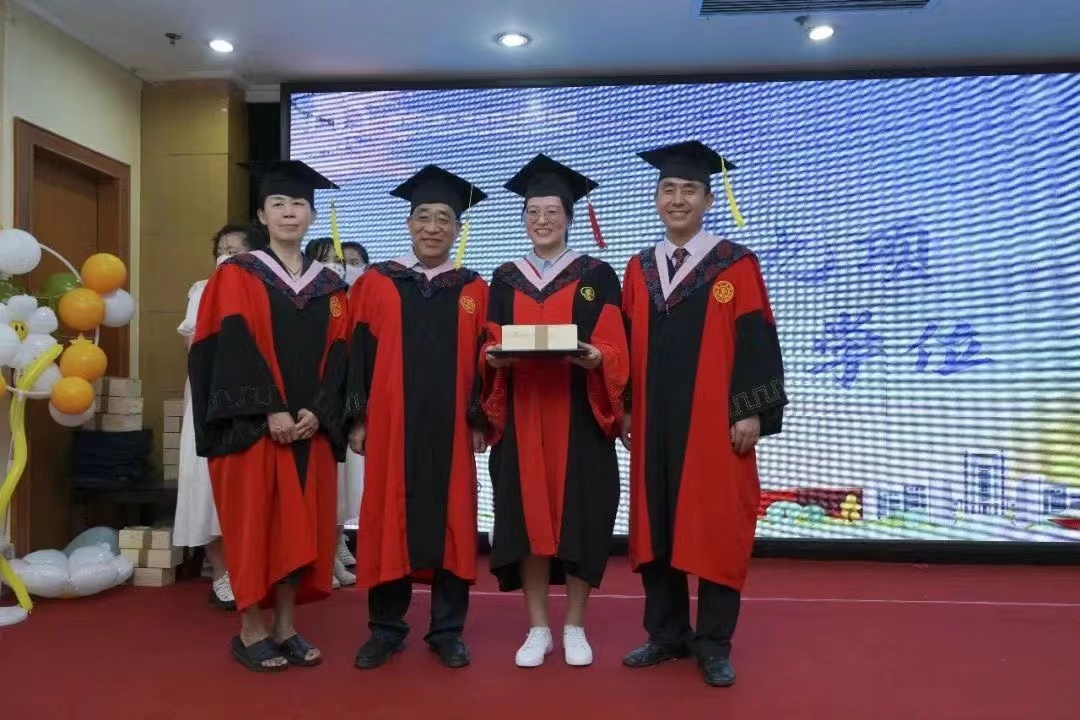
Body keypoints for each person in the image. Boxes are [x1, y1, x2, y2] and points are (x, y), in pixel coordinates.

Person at [620, 141, 787, 687]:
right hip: (653, 423)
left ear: (709, 200)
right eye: (668, 189)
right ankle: (666, 634)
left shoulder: (735, 264)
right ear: (655, 198)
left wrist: (752, 411)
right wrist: (625, 408)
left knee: (716, 526)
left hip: (713, 423)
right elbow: (624, 344)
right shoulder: (639, 269)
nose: (677, 199)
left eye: (689, 190)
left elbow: (757, 339)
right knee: (657, 526)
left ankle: (713, 643)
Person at [189, 160, 350, 673]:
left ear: (311, 215)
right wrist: (271, 408)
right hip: (253, 429)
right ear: (262, 214)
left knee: (299, 533)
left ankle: (286, 627)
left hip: (309, 430)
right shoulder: (237, 274)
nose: (289, 212)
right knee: (255, 528)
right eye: (278, 203)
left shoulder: (330, 286)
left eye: (299, 203)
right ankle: (250, 629)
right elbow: (229, 345)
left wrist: (319, 411)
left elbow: (342, 354)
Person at [480, 154, 628, 668]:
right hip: (522, 415)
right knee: (525, 519)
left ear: (569, 217)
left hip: (579, 416)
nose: (542, 220)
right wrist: (491, 357)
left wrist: (598, 357)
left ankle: (576, 627)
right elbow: (490, 340)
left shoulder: (597, 274)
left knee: (581, 517)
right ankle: (538, 627)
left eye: (552, 212)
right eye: (532, 212)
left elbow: (615, 342)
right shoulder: (505, 278)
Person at [346, 165, 489, 670]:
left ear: (457, 229)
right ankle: (386, 629)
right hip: (391, 424)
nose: (433, 227)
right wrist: (357, 418)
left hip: (452, 427)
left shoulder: (473, 288)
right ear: (408, 223)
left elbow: (485, 359)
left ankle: (447, 631)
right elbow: (357, 353)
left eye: (444, 218)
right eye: (423, 217)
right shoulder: (377, 282)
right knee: (389, 518)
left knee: (454, 520)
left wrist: (480, 418)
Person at [174, 224, 250, 611]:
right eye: (221, 250)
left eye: (236, 251)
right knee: (206, 485)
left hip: (253, 400)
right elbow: (195, 346)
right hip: (210, 397)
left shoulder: (266, 290)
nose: (226, 257)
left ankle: (249, 570)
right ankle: (221, 572)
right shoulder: (202, 290)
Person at [303, 237, 363, 589]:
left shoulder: (359, 300)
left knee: (344, 488)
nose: (339, 267)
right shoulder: (312, 300)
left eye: (349, 262)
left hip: (348, 403)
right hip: (319, 402)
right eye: (326, 260)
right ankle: (319, 557)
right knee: (322, 486)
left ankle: (334, 546)